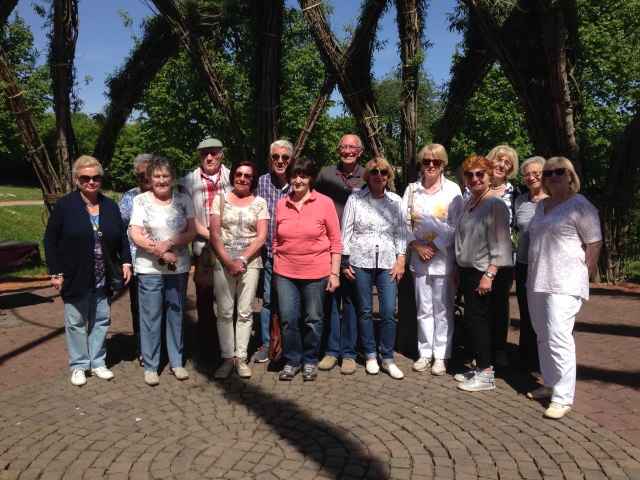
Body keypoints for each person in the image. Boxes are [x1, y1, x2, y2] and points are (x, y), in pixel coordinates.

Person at [44, 155, 132, 386]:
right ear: (76, 179)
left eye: (95, 178)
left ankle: (98, 362)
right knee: (75, 322)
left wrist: (125, 262)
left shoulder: (109, 206)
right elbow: (50, 240)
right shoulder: (65, 206)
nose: (91, 182)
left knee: (101, 319)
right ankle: (79, 365)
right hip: (75, 273)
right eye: (85, 178)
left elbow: (123, 237)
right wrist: (55, 272)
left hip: (103, 274)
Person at [526, 157, 602, 419]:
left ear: (570, 175)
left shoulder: (580, 204)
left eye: (559, 171)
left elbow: (594, 243)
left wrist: (584, 273)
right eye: (548, 172)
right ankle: (549, 383)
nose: (553, 176)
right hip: (537, 279)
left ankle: (563, 396)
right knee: (543, 334)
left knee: (559, 336)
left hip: (565, 282)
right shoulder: (542, 205)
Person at [130, 156, 196, 386]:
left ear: (172, 177)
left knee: (176, 313)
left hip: (177, 267)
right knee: (151, 316)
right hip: (149, 268)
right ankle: (151, 365)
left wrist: (169, 245)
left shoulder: (184, 200)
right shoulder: (140, 201)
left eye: (165, 175)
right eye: (156, 176)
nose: (161, 180)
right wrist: (160, 252)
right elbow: (136, 234)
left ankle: (177, 362)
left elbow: (191, 232)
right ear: (149, 177)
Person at [273, 157, 341, 381]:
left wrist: (334, 273)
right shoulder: (282, 204)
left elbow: (335, 240)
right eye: (294, 175)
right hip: (285, 273)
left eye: (303, 175)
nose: (298, 180)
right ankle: (292, 360)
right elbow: (275, 240)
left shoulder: (324, 203)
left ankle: (310, 359)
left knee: (313, 318)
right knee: (288, 318)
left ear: (311, 178)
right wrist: (276, 266)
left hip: (316, 272)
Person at [342, 158, 406, 378]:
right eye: (375, 172)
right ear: (368, 175)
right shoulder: (356, 198)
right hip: (360, 260)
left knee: (388, 310)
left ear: (389, 176)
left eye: (384, 172)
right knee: (365, 310)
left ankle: (387, 357)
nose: (379, 176)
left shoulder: (396, 201)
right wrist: (344, 260)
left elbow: (400, 232)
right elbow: (346, 230)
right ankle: (370, 354)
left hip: (388, 260)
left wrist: (401, 259)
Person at [453, 155, 512, 392]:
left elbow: (501, 243)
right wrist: (457, 266)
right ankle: (479, 368)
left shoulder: (494, 204)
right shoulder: (470, 202)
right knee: (472, 320)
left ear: (489, 177)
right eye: (469, 175)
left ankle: (486, 372)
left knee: (477, 320)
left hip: (483, 269)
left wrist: (489, 275)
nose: (474, 179)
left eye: (480, 174)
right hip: (468, 269)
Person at [403, 144, 463, 376]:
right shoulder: (411, 190)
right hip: (419, 259)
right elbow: (402, 223)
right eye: (426, 161)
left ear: (443, 165)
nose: (430, 165)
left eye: (436, 162)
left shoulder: (453, 191)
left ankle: (441, 356)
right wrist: (417, 245)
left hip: (443, 259)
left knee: (444, 309)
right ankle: (425, 352)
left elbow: (456, 224)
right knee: (424, 309)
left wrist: (435, 246)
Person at [210, 161, 268, 379]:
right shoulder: (220, 199)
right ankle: (227, 358)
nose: (242, 179)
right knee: (225, 312)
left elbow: (261, 236)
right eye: (239, 174)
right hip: (223, 262)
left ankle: (241, 357)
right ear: (233, 176)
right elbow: (214, 234)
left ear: (253, 180)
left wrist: (242, 259)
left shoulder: (260, 202)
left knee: (244, 312)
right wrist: (228, 261)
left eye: (248, 176)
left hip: (250, 263)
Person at [315, 134, 366, 375]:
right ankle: (331, 351)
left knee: (353, 302)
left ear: (360, 151)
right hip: (327, 248)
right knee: (331, 301)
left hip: (357, 250)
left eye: (351, 147)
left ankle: (348, 353)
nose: (347, 150)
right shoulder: (325, 174)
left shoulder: (369, 175)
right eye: (343, 146)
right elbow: (314, 205)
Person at [178, 138, 231, 358]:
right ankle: (208, 342)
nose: (208, 158)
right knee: (204, 296)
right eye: (203, 154)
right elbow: (186, 215)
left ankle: (229, 342)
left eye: (213, 153)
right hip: (202, 246)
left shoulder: (234, 177)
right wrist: (211, 236)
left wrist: (222, 238)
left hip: (230, 245)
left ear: (221, 155)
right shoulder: (187, 182)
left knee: (230, 297)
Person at [255, 140, 293, 363]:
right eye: (276, 157)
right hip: (270, 252)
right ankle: (268, 342)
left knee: (291, 301)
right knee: (269, 300)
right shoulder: (261, 182)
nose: (280, 161)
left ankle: (290, 342)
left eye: (285, 157)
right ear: (270, 159)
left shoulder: (299, 182)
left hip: (294, 254)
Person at [486, 145, 520, 368]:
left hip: (504, 257)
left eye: (507, 163)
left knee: (499, 305)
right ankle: (478, 348)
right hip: (475, 255)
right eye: (498, 160)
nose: (501, 165)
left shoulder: (515, 193)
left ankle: (499, 349)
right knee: (477, 304)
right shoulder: (472, 186)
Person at [118, 153, 153, 367]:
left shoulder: (169, 195)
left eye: (150, 173)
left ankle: (163, 345)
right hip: (137, 263)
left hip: (163, 264)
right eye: (142, 175)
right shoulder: (129, 198)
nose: (147, 178)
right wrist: (125, 261)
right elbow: (120, 231)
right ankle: (143, 350)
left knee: (164, 308)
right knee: (139, 309)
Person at [514, 156, 547, 373]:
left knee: (547, 313)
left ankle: (548, 360)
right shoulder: (520, 201)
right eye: (527, 174)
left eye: (536, 173)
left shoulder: (553, 200)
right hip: (524, 262)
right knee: (526, 312)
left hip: (547, 266)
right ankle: (527, 359)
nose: (531, 177)